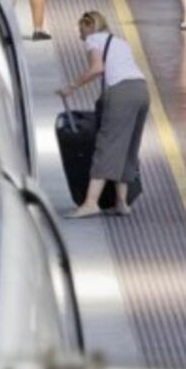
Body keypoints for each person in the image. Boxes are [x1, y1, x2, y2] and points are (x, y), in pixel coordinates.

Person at [58, 11, 149, 219]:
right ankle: (122, 203)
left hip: (121, 93)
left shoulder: (93, 40)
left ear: (89, 27)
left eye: (81, 29)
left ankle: (91, 203)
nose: (80, 35)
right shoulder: (120, 42)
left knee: (107, 146)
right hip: (141, 91)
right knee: (127, 147)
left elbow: (97, 68)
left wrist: (71, 86)